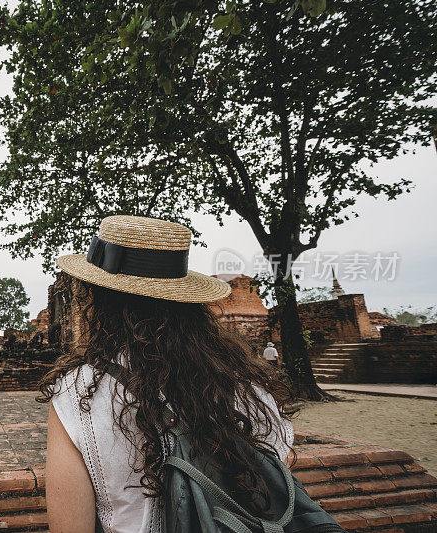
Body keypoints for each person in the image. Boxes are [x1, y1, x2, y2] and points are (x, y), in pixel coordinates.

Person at [41, 216, 295, 533]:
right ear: (188, 301)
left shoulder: (78, 393)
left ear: (97, 299)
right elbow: (275, 493)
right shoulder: (251, 387)